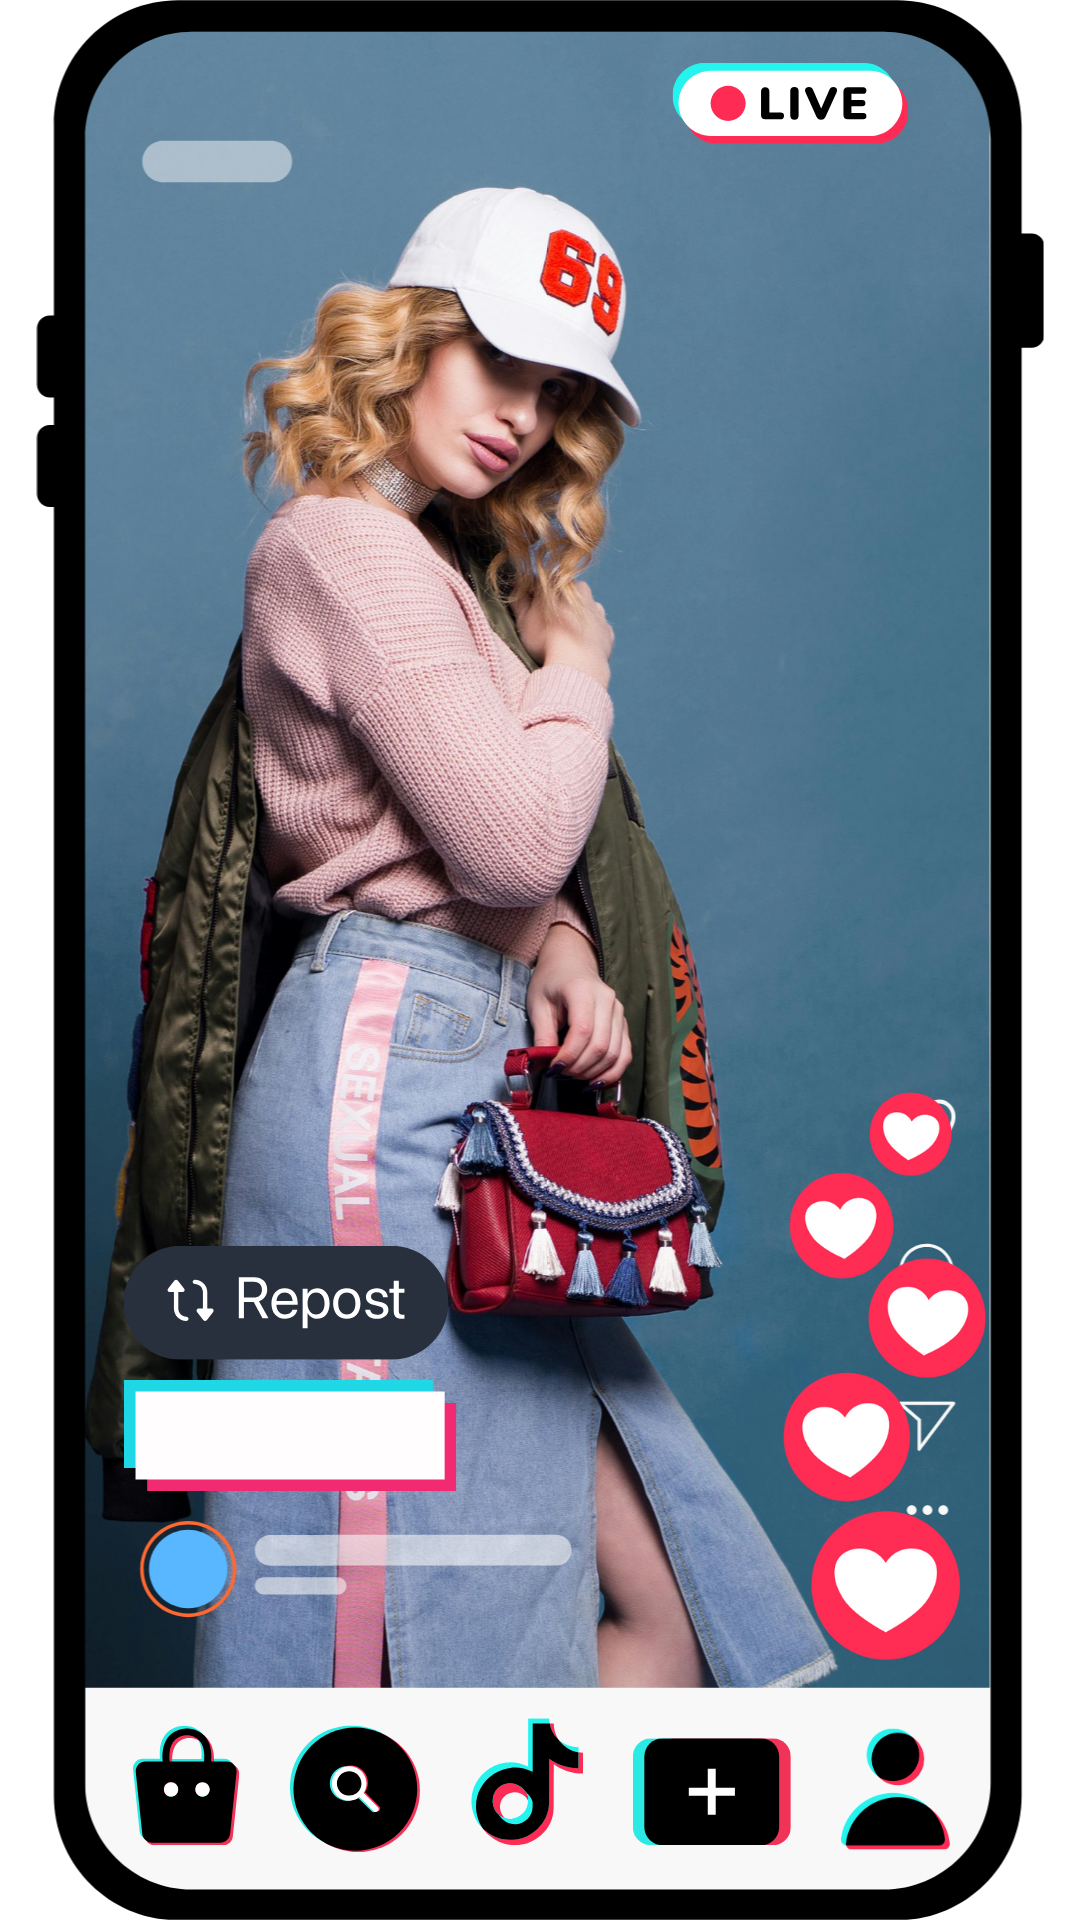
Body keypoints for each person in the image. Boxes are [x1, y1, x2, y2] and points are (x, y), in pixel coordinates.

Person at [192, 187, 836, 1690]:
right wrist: (578, 670)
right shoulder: (339, 547)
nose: (522, 419)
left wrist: (553, 947)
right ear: (408, 340)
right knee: (359, 1605)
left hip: (465, 1081)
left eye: (556, 393)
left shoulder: (423, 578)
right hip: (376, 1091)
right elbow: (494, 833)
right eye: (498, 363)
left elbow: (461, 851)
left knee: (648, 1604)